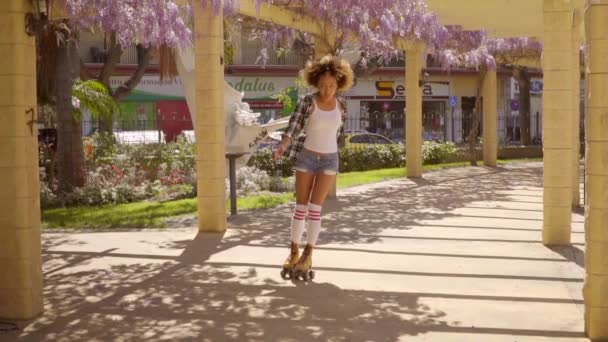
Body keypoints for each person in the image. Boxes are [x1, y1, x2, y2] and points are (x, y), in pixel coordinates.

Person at [273, 55, 354, 280]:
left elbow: (337, 135)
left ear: (339, 84)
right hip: (307, 158)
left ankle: (308, 255)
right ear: (316, 83)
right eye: (322, 85)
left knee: (315, 209)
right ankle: (293, 253)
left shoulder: (341, 106)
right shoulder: (308, 102)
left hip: (330, 160)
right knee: (301, 207)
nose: (327, 90)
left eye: (331, 86)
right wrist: (283, 145)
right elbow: (294, 126)